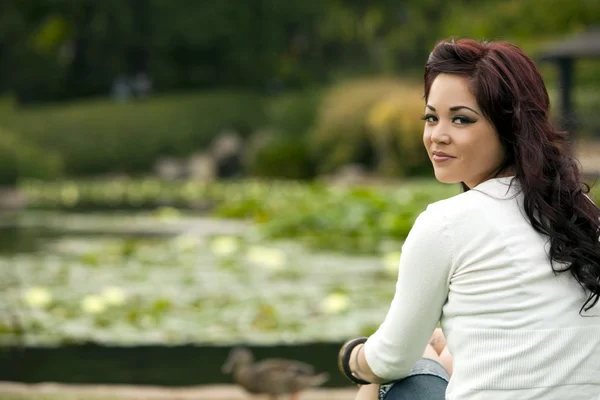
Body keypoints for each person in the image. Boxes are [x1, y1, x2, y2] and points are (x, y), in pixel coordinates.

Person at [337, 38, 600, 400]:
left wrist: (352, 357)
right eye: (431, 117)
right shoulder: (581, 213)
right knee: (444, 349)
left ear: (511, 127)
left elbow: (390, 359)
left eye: (461, 119)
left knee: (399, 368)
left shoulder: (446, 223)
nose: (437, 136)